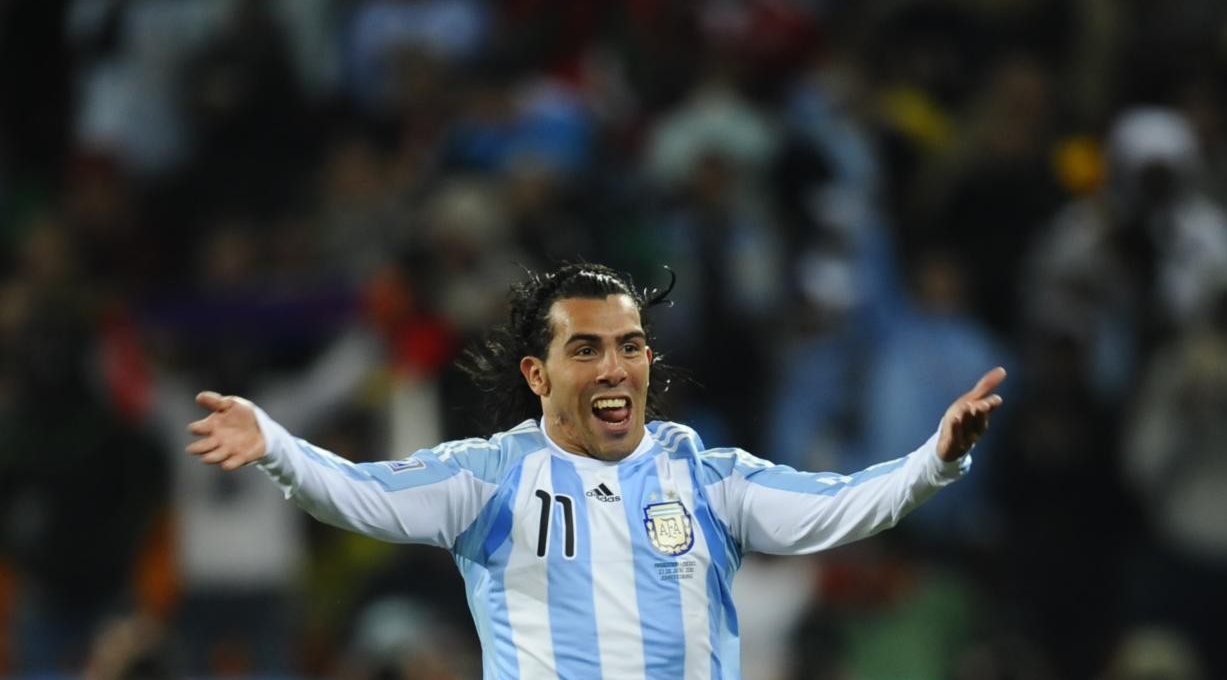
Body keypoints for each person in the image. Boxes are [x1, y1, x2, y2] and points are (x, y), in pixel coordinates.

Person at [186, 262, 1004, 678]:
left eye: (629, 345)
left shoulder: (706, 478)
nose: (615, 367)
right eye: (586, 349)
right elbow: (362, 494)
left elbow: (841, 506)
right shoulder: (489, 479)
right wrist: (277, 445)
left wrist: (936, 459)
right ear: (539, 376)